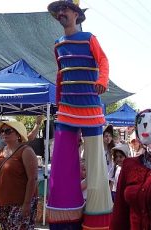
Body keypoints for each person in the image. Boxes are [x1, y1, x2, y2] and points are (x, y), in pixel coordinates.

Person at [47, 0, 112, 228]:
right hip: (66, 110)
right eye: (57, 11)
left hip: (91, 110)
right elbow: (60, 75)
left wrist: (102, 80)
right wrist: (57, 103)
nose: (60, 13)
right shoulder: (58, 45)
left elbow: (103, 60)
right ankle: (64, 219)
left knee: (95, 165)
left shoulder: (89, 38)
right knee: (61, 164)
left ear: (76, 14)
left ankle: (98, 220)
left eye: (64, 10)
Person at [0, 120, 38, 229]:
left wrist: (27, 204)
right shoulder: (0, 151)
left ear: (18, 134)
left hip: (20, 202)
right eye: (2, 131)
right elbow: (1, 173)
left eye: (8, 131)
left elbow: (32, 179)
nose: (3, 134)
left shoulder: (26, 151)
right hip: (2, 202)